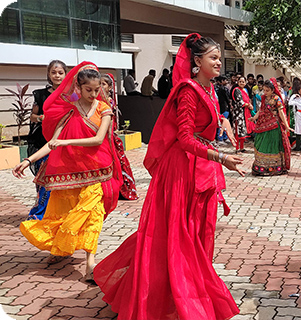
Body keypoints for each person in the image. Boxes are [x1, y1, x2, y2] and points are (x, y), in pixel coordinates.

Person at [93, 33, 245, 320]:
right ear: (197, 61)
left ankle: (187, 292)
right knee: (178, 238)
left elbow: (205, 127)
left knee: (196, 235)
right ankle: (180, 299)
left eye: (219, 57)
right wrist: (222, 158)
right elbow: (185, 138)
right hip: (182, 170)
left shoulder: (210, 88)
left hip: (200, 167)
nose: (219, 62)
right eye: (213, 57)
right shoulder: (187, 90)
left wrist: (222, 125)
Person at [12, 62, 122, 280]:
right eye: (88, 89)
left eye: (96, 89)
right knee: (64, 215)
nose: (93, 94)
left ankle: (91, 264)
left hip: (97, 172)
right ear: (78, 88)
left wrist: (65, 142)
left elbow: (98, 139)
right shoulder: (69, 111)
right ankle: (59, 246)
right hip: (69, 173)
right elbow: (53, 142)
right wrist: (28, 160)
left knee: (92, 215)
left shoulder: (104, 109)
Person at [27, 60, 67, 220]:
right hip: (41, 142)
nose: (57, 75)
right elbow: (32, 117)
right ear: (49, 75)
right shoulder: (40, 94)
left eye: (60, 72)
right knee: (43, 181)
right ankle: (39, 213)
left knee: (59, 181)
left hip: (62, 142)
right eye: (54, 72)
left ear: (65, 74)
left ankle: (56, 213)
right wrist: (43, 118)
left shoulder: (71, 95)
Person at [101, 73, 139, 200]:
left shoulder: (108, 103)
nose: (100, 87)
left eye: (103, 84)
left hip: (107, 138)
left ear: (110, 87)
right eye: (99, 84)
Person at [249, 79, 293, 176]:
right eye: (264, 90)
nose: (265, 92)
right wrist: (254, 118)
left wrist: (286, 126)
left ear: (273, 90)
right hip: (263, 125)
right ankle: (260, 167)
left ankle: (274, 168)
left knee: (272, 146)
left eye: (267, 90)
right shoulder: (264, 98)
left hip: (274, 126)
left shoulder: (277, 99)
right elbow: (261, 110)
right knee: (260, 144)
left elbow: (281, 113)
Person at [231, 76, 254, 153]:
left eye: (243, 82)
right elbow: (240, 102)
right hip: (239, 113)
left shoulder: (245, 90)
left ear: (245, 82)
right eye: (240, 81)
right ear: (238, 82)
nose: (242, 83)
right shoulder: (236, 90)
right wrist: (248, 105)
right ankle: (237, 148)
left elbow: (248, 99)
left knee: (243, 131)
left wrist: (249, 105)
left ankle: (242, 147)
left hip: (245, 112)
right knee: (238, 131)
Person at [215, 75, 231, 144]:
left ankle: (224, 137)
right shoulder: (223, 89)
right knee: (222, 123)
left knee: (223, 122)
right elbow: (227, 99)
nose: (226, 81)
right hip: (224, 107)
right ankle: (221, 138)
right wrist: (230, 105)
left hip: (221, 107)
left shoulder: (216, 88)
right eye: (224, 80)